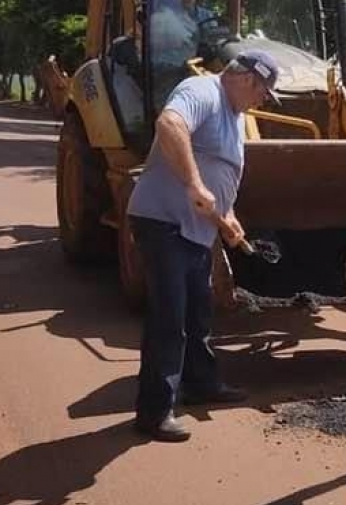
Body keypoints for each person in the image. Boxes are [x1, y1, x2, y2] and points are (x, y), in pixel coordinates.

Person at [126, 48, 281, 442]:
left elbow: (219, 170)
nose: (264, 100)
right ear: (247, 78)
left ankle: (200, 384)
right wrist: (195, 183)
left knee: (198, 313)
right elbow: (170, 124)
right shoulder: (202, 90)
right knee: (170, 318)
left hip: (197, 228)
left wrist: (228, 217)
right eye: (264, 91)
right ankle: (154, 411)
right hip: (164, 223)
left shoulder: (234, 115)